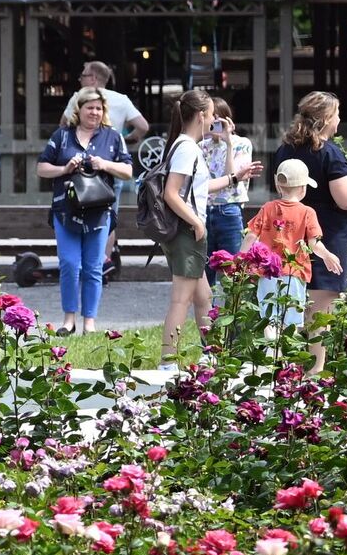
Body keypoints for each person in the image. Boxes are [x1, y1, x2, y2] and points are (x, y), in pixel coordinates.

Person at [270, 92, 347, 341]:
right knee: (320, 309)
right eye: (337, 113)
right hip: (325, 233)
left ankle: (292, 368)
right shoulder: (329, 153)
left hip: (291, 232)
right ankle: (315, 373)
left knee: (293, 303)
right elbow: (346, 199)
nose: (339, 119)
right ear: (327, 118)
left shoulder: (285, 150)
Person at [35, 88, 133, 335]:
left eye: (99, 108)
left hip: (98, 211)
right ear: (79, 110)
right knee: (69, 264)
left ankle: (89, 321)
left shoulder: (113, 137)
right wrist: (65, 168)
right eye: (90, 107)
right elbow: (41, 168)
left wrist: (105, 164)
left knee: (93, 266)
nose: (95, 112)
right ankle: (69, 319)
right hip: (65, 210)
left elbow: (128, 171)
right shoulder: (62, 136)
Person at [157, 90, 241, 366]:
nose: (214, 120)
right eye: (212, 115)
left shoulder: (185, 146)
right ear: (202, 115)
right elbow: (171, 193)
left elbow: (199, 188)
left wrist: (233, 178)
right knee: (181, 299)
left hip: (188, 231)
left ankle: (213, 355)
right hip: (186, 231)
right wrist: (196, 222)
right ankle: (168, 362)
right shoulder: (187, 147)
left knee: (203, 297)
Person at [245, 160, 342, 351]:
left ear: (278, 185)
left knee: (269, 317)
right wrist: (328, 255)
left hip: (268, 273)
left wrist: (240, 258)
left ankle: (270, 354)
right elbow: (314, 244)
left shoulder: (267, 208)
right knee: (292, 321)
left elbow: (250, 236)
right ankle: (288, 360)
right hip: (294, 275)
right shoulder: (307, 212)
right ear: (303, 188)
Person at [79, 60, 150, 272]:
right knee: (108, 215)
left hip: (84, 166)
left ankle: (87, 262)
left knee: (81, 213)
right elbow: (143, 126)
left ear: (92, 78)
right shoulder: (121, 99)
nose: (80, 80)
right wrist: (127, 140)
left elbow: (64, 125)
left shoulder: (79, 98)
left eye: (83, 76)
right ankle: (104, 264)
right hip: (114, 164)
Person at [200, 98, 259, 286]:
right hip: (204, 210)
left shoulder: (241, 143)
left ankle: (231, 314)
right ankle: (206, 314)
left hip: (229, 209)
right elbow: (201, 183)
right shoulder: (201, 146)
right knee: (205, 272)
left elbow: (232, 180)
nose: (215, 125)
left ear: (228, 121)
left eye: (219, 121)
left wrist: (228, 143)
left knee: (234, 271)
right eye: (212, 120)